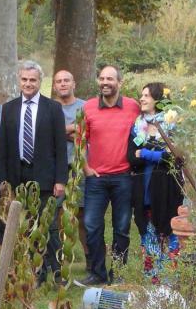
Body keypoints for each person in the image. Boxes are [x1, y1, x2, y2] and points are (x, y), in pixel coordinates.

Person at [0, 60, 68, 285]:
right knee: (26, 226)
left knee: (49, 226)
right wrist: (4, 182)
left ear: (40, 82)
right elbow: (4, 149)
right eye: (24, 79)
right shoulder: (9, 108)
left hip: (46, 177)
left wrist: (61, 180)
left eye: (33, 80)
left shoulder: (53, 108)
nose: (28, 84)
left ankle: (57, 272)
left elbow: (60, 148)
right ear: (19, 80)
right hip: (19, 176)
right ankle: (35, 272)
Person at [78, 65, 140, 286]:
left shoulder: (133, 107)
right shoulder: (88, 107)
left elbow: (146, 130)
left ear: (119, 83)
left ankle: (119, 273)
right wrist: (85, 168)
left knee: (121, 228)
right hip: (96, 178)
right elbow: (79, 140)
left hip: (124, 177)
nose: (105, 82)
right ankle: (97, 273)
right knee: (92, 225)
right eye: (102, 78)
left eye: (110, 79)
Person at [128, 82, 184, 265]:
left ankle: (170, 280)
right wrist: (158, 155)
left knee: (169, 231)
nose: (141, 99)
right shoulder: (137, 126)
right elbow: (131, 157)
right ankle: (152, 281)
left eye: (146, 96)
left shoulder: (171, 125)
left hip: (167, 188)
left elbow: (175, 158)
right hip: (143, 188)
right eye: (141, 95)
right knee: (147, 231)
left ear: (158, 100)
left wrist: (146, 153)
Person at [53, 69, 89, 263]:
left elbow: (86, 134)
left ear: (74, 84)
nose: (63, 84)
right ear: (54, 86)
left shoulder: (85, 106)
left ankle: (90, 259)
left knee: (82, 214)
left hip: (80, 168)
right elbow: (48, 134)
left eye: (67, 80)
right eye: (59, 81)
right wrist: (70, 129)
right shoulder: (51, 108)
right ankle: (59, 258)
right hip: (58, 169)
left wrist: (62, 133)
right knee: (57, 214)